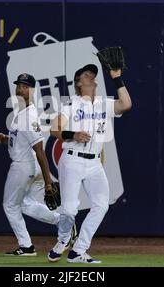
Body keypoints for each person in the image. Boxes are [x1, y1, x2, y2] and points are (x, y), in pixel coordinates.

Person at [48, 64, 132, 263]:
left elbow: (126, 104)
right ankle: (63, 240)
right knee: (69, 210)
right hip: (72, 160)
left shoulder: (104, 103)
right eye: (86, 74)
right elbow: (54, 130)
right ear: (79, 83)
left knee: (101, 205)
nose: (91, 76)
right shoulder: (72, 103)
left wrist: (117, 78)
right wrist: (73, 134)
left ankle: (78, 250)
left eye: (92, 74)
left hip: (94, 164)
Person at [0, 73, 77, 256]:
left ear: (32, 90)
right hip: (29, 165)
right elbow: (20, 141)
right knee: (25, 204)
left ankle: (26, 246)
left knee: (10, 205)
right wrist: (5, 139)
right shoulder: (20, 113)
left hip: (24, 166)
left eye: (24, 86)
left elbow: (40, 150)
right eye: (19, 85)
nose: (20, 89)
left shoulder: (29, 116)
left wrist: (48, 182)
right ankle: (62, 222)